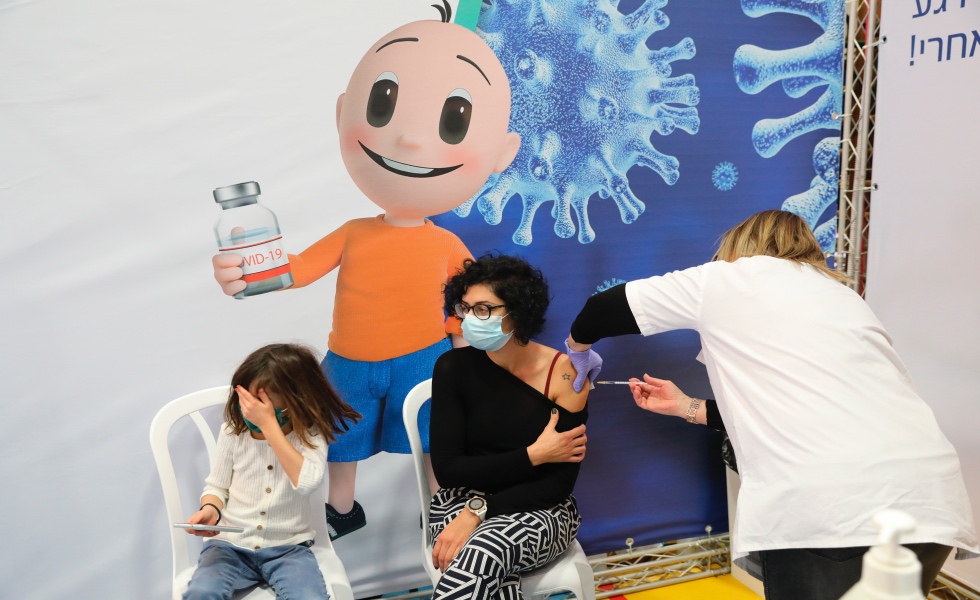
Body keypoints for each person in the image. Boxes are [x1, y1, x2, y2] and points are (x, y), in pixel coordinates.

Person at [211, 15, 521, 539]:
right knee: (340, 436)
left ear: (501, 154)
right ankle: (341, 511)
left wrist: (461, 331)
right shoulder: (355, 232)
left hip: (423, 358)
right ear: (343, 114)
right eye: (383, 105)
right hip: (350, 359)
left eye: (453, 120)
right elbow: (302, 267)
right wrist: (250, 272)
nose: (408, 139)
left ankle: (439, 506)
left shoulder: (445, 244)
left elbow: (476, 299)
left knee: (431, 435)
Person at [567, 210, 978, 600]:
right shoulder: (842, 296)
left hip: (833, 505)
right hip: (929, 498)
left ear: (738, 246)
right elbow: (800, 403)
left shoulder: (728, 279)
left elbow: (602, 309)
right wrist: (687, 406)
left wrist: (577, 351)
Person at [428, 254, 590, 600]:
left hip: (544, 509)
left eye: (484, 309)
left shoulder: (564, 375)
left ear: (517, 311)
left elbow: (557, 483)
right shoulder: (452, 367)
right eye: (465, 308)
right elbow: (448, 471)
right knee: (485, 571)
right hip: (458, 501)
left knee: (482, 553)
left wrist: (480, 512)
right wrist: (534, 455)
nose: (470, 319)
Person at [180, 343, 361, 600]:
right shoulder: (234, 433)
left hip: (288, 549)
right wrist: (210, 509)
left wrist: (270, 429)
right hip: (229, 546)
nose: (254, 413)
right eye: (249, 403)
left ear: (297, 402)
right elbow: (216, 487)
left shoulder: (310, 435)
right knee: (201, 593)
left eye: (266, 408)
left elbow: (308, 482)